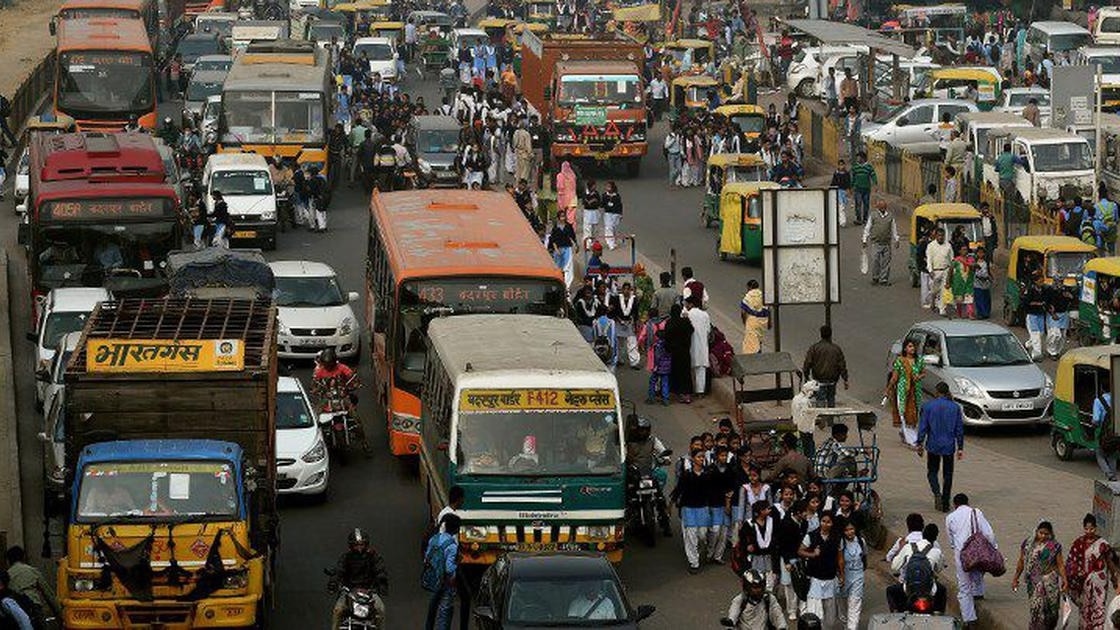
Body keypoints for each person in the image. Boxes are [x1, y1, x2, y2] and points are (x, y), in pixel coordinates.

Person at [946, 494, 997, 626]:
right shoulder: (976, 512)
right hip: (978, 551)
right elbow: (988, 533)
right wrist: (993, 548)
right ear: (968, 503)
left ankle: (969, 619)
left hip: (961, 555)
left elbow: (951, 540)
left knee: (964, 587)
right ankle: (978, 592)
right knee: (979, 569)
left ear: (954, 505)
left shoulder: (950, 517)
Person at [1066, 513, 1120, 629]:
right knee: (1085, 607)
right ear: (1083, 528)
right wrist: (1070, 578)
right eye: (1086, 529)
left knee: (1099, 606)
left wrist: (1114, 578)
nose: (1089, 531)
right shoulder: (1078, 543)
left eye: (1092, 528)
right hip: (1084, 581)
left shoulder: (1103, 544)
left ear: (1096, 528)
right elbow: (1071, 563)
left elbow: (1110, 562)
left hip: (1100, 581)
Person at [917, 382, 964, 513]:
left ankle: (937, 492)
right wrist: (960, 447)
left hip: (933, 445)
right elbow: (959, 429)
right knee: (948, 474)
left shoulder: (928, 406)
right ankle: (945, 501)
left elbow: (923, 427)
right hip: (949, 446)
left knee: (932, 471)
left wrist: (919, 443)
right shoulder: (955, 407)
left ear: (936, 392)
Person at [329, 529, 388, 630]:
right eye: (356, 545)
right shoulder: (346, 557)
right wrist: (333, 582)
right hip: (349, 591)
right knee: (337, 610)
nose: (359, 547)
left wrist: (382, 583)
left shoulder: (374, 556)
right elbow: (339, 570)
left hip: (369, 591)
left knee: (380, 609)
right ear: (351, 546)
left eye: (362, 544)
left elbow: (380, 570)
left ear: (366, 544)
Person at [1012, 521, 1066, 630]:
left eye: (1046, 534)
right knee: (1037, 610)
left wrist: (1065, 580)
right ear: (1036, 532)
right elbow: (1021, 562)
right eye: (1041, 533)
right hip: (1034, 583)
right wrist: (1015, 578)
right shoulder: (1028, 545)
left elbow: (1060, 565)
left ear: (1051, 534)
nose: (1043, 536)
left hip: (1050, 582)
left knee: (1052, 612)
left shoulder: (1054, 546)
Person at [886, 523, 946, 613]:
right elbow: (939, 569)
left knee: (890, 590)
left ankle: (896, 613)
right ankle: (939, 613)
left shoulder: (908, 547)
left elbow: (894, 567)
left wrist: (900, 550)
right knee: (943, 590)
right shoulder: (937, 552)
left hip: (908, 590)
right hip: (930, 591)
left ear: (923, 534)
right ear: (935, 538)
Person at [799, 512, 841, 627]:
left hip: (830, 578)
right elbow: (801, 551)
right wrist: (813, 554)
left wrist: (841, 574)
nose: (825, 524)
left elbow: (840, 557)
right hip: (815, 579)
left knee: (830, 614)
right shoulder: (811, 536)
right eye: (823, 521)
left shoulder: (836, 537)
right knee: (815, 613)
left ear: (832, 524)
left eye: (828, 522)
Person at [675, 449, 711, 573]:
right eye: (699, 457)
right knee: (691, 536)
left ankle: (702, 549)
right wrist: (672, 505)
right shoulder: (686, 475)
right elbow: (678, 490)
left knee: (702, 535)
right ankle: (694, 563)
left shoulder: (707, 474)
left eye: (702, 457)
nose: (701, 459)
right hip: (688, 508)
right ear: (693, 459)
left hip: (703, 508)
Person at [4, 547, 57, 628]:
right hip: (34, 609)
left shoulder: (7, 575)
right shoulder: (32, 571)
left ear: (8, 560)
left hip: (15, 611)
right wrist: (60, 614)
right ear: (23, 557)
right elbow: (48, 594)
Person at [424, 514, 460, 630]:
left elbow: (426, 558)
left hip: (434, 579)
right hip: (446, 583)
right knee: (444, 612)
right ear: (455, 529)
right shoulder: (452, 545)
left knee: (432, 606)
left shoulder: (434, 539)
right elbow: (449, 568)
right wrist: (457, 563)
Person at [886, 339, 925, 445]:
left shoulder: (919, 360)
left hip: (916, 389)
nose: (912, 349)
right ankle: (906, 434)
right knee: (902, 411)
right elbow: (894, 377)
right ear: (905, 348)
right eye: (910, 346)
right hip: (903, 389)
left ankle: (912, 434)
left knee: (914, 411)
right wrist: (888, 390)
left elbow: (923, 373)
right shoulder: (900, 360)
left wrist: (918, 377)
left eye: (913, 347)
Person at [723, 569, 788, 630]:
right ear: (747, 587)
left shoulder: (769, 599)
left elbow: (777, 614)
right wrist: (730, 622)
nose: (758, 590)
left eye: (760, 587)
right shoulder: (740, 600)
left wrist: (782, 627)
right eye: (755, 587)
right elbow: (733, 613)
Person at [802, 325, 849, 408]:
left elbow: (807, 363)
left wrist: (806, 376)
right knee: (831, 399)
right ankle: (830, 419)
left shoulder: (814, 348)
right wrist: (845, 379)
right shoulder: (836, 349)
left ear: (821, 334)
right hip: (832, 380)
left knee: (820, 400)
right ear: (831, 334)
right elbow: (842, 365)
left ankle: (822, 418)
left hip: (819, 380)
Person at [862, 200, 900, 285]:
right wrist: (864, 240)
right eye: (881, 207)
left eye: (884, 207)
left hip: (886, 243)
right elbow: (867, 228)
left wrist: (896, 239)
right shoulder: (873, 216)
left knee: (886, 262)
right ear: (878, 207)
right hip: (876, 243)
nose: (883, 209)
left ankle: (884, 279)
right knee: (875, 261)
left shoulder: (890, 216)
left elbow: (894, 229)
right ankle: (875, 277)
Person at [838, 519, 866, 630]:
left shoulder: (860, 541)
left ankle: (852, 628)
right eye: (846, 530)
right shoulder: (840, 542)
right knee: (842, 605)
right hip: (843, 576)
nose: (849, 532)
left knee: (855, 603)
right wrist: (840, 575)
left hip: (858, 575)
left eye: (851, 529)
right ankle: (846, 624)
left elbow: (864, 557)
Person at [665, 304, 695, 404]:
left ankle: (676, 393)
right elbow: (691, 330)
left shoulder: (670, 322)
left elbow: (666, 336)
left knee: (675, 373)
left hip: (674, 353)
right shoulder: (685, 322)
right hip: (685, 352)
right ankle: (687, 395)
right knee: (685, 373)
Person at [685, 295, 711, 396]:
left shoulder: (687, 314)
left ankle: (690, 390)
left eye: (686, 303)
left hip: (690, 344)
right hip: (702, 345)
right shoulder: (705, 315)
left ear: (691, 304)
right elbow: (708, 330)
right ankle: (700, 391)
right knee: (701, 369)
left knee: (690, 368)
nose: (685, 305)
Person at [546, 210, 578, 287]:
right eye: (561, 216)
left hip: (567, 248)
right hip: (558, 249)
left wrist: (576, 245)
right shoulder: (555, 228)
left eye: (564, 216)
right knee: (558, 267)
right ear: (558, 218)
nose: (563, 218)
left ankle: (567, 285)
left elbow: (572, 237)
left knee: (568, 267)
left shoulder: (568, 226)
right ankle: (558, 283)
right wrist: (556, 250)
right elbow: (553, 240)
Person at [925, 228, 953, 314]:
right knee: (934, 290)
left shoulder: (948, 246)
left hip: (945, 270)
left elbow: (951, 259)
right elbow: (929, 259)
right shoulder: (931, 246)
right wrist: (930, 270)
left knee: (944, 290)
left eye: (942, 236)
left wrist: (951, 272)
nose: (941, 237)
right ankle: (933, 301)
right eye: (939, 235)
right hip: (935, 271)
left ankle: (942, 309)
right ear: (936, 236)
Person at [740, 279, 770, 354]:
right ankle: (759, 351)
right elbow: (768, 309)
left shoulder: (749, 296)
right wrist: (769, 322)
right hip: (763, 320)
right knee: (759, 338)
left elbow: (743, 311)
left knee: (751, 341)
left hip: (752, 321)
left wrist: (744, 321)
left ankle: (753, 357)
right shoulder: (763, 295)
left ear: (749, 287)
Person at [1094, 382, 1117, 480]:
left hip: (1104, 433)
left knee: (1100, 454)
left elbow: (1096, 419)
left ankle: (1109, 475)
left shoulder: (1098, 401)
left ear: (1102, 389)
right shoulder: (1117, 399)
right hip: (1116, 431)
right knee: (1112, 454)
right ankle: (1113, 477)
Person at [947, 244, 975, 319]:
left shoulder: (971, 259)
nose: (965, 251)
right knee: (959, 300)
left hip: (968, 283)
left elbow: (974, 267)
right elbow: (950, 271)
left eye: (966, 249)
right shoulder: (956, 260)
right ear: (959, 251)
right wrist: (948, 282)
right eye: (963, 250)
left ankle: (970, 314)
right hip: (958, 283)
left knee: (969, 299)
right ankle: (959, 314)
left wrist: (970, 264)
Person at [602, 181, 623, 250]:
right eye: (607, 187)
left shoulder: (617, 196)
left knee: (614, 228)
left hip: (615, 214)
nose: (607, 188)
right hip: (608, 214)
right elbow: (602, 204)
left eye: (609, 187)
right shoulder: (605, 195)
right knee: (608, 228)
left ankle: (613, 242)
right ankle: (610, 243)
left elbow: (620, 205)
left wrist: (620, 214)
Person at [556, 161, 578, 226]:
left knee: (562, 215)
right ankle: (571, 230)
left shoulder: (560, 176)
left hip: (563, 198)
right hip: (573, 198)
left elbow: (560, 187)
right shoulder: (573, 175)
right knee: (571, 217)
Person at [972, 248, 992, 319]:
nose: (980, 254)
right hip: (977, 283)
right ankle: (980, 313)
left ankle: (986, 313)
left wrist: (990, 278)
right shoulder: (974, 262)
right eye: (979, 253)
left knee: (986, 298)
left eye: (982, 253)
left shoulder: (987, 262)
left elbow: (989, 271)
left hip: (986, 283)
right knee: (979, 298)